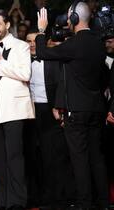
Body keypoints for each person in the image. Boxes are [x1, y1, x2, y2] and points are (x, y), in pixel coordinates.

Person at [36, 2, 109, 210]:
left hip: (76, 110)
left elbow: (42, 53)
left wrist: (42, 30)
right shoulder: (98, 43)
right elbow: (104, 77)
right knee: (96, 157)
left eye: (69, 17)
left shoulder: (75, 43)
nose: (67, 20)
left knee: (79, 159)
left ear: (75, 19)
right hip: (96, 108)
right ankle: (103, 202)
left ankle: (85, 203)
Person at [0, 10, 35, 210]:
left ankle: (17, 202)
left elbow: (25, 73)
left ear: (6, 24)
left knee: (14, 155)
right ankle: (3, 201)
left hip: (13, 107)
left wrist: (1, 64)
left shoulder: (21, 46)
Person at [25, 30, 75, 209]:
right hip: (29, 112)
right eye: (28, 41)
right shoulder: (21, 62)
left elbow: (63, 85)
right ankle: (37, 196)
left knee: (53, 155)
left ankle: (59, 197)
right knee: (33, 157)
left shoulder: (53, 61)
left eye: (34, 41)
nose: (31, 44)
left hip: (51, 110)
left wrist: (59, 108)